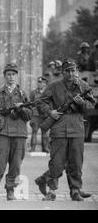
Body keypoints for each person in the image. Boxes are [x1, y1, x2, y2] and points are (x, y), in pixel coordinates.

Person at [35, 59, 95, 201]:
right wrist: (50, 113)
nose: (70, 73)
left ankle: (75, 190)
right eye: (67, 70)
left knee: (76, 162)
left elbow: (91, 105)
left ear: (77, 71)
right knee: (57, 162)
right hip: (59, 128)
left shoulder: (83, 86)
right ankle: (52, 191)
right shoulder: (54, 86)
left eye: (73, 70)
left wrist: (82, 103)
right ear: (62, 72)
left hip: (77, 128)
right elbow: (40, 102)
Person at [0, 63, 32, 200]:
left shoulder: (22, 94)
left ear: (17, 76)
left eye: (14, 74)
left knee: (16, 165)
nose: (11, 77)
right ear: (4, 76)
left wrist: (21, 109)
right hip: (2, 132)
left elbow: (30, 115)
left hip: (19, 133)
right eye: (8, 74)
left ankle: (11, 190)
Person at [29, 77, 49, 153]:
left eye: (41, 82)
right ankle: (32, 148)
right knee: (34, 132)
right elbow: (30, 103)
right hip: (36, 115)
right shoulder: (33, 92)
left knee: (45, 132)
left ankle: (45, 148)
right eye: (38, 82)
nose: (39, 84)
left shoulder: (48, 92)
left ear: (45, 84)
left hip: (45, 115)